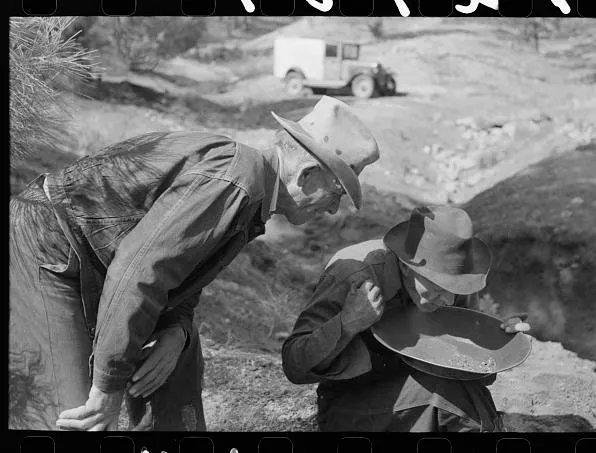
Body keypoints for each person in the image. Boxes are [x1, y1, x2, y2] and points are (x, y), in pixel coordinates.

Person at [9, 96, 380, 431]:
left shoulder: (249, 189)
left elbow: (179, 271)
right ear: (307, 174)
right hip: (46, 245)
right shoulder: (238, 180)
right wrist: (108, 384)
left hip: (85, 255)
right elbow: (139, 271)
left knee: (178, 346)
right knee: (73, 420)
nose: (333, 208)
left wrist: (177, 330)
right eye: (337, 192)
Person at [282, 205, 531, 432]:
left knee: (466, 396)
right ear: (405, 266)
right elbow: (294, 365)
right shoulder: (354, 272)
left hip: (421, 393)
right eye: (436, 287)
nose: (446, 300)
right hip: (351, 400)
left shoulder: (458, 282)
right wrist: (347, 323)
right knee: (448, 401)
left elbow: (477, 376)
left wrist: (492, 341)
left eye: (452, 290)